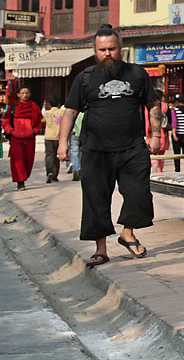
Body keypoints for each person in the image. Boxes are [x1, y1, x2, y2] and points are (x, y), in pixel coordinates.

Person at [57, 25, 161, 268]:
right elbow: (70, 111)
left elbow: (153, 105)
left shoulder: (137, 74)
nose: (107, 53)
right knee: (95, 199)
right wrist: (63, 142)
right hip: (95, 149)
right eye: (102, 49)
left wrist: (155, 135)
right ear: (95, 51)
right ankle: (101, 249)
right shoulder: (85, 78)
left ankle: (127, 233)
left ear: (120, 49)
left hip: (133, 147)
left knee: (138, 193)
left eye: (112, 49)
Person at [3, 87, 42, 190]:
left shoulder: (34, 106)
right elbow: (5, 120)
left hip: (29, 138)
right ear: (18, 95)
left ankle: (24, 177)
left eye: (27, 93)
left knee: (28, 161)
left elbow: (39, 121)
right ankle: (20, 182)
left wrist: (34, 131)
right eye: (23, 93)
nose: (25, 95)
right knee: (17, 161)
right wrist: (10, 130)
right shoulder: (13, 107)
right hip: (16, 138)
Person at [42, 96, 65, 183]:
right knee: (56, 157)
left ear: (49, 104)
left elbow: (42, 121)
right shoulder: (61, 112)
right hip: (58, 137)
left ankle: (49, 172)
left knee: (49, 156)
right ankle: (55, 176)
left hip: (48, 137)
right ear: (58, 104)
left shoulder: (47, 113)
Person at [145, 90, 170, 173]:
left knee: (152, 152)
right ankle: (160, 170)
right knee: (161, 154)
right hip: (163, 133)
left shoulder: (148, 107)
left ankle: (154, 163)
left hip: (150, 132)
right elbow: (169, 119)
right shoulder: (165, 106)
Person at [69, 110, 85, 181]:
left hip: (74, 133)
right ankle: (82, 170)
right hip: (84, 134)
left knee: (74, 152)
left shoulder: (75, 113)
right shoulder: (85, 114)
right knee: (83, 152)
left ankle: (76, 169)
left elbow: (70, 122)